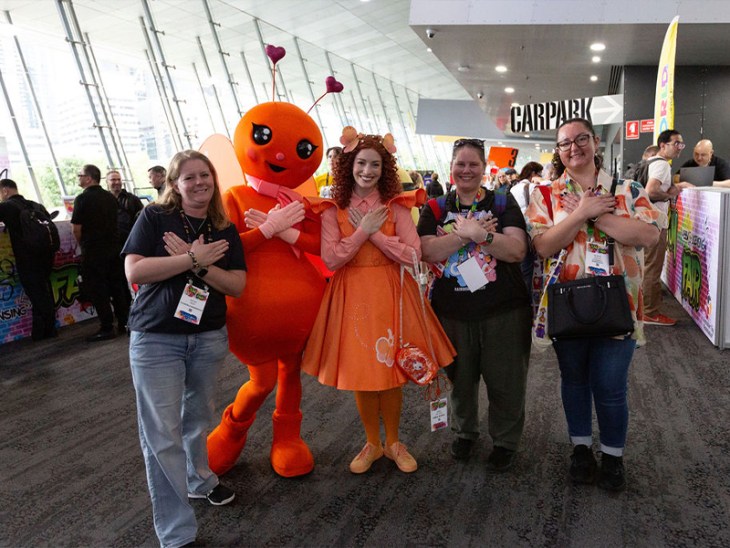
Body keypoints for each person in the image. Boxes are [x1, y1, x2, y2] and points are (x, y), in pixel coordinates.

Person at [302, 131, 455, 475]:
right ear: (348, 165)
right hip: (352, 293)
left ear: (385, 168)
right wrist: (361, 233)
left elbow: (413, 254)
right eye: (361, 163)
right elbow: (331, 258)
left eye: (375, 164)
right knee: (363, 371)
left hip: (392, 291)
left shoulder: (396, 205)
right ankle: (373, 442)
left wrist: (375, 234)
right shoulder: (332, 208)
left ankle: (394, 442)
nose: (367, 171)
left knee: (391, 370)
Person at [526, 117, 662, 491]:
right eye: (565, 143)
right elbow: (543, 246)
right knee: (574, 380)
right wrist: (578, 213)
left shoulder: (628, 189)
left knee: (610, 385)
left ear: (595, 143)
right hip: (566, 304)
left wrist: (598, 215)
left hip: (619, 304)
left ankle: (613, 457)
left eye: (581, 139)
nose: (574, 148)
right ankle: (581, 450)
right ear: (558, 150)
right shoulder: (546, 195)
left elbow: (648, 235)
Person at [123, 150, 246, 548]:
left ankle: (198, 479)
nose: (198, 182)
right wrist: (193, 257)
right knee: (162, 435)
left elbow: (237, 285)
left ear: (214, 179)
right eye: (189, 177)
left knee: (197, 417)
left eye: (204, 175)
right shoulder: (154, 218)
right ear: (175, 184)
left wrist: (198, 265)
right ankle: (177, 533)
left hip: (207, 337)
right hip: (157, 338)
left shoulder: (222, 227)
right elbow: (135, 270)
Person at [417, 138, 532, 472]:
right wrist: (465, 234)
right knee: (460, 380)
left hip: (504, 310)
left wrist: (484, 236)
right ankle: (465, 432)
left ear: (484, 168)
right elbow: (427, 251)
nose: (466, 170)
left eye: (473, 164)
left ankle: (505, 441)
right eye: (460, 164)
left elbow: (516, 251)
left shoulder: (502, 202)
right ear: (451, 167)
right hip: (452, 312)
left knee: (506, 380)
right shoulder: (435, 207)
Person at [71, 164, 130, 341]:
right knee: (117, 287)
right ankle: (124, 323)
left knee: (98, 290)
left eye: (80, 175)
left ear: (89, 178)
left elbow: (76, 229)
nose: (78, 178)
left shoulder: (82, 199)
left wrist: (84, 245)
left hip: (94, 251)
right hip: (114, 249)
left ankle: (106, 327)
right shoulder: (110, 197)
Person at [643, 130, 694, 326]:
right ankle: (650, 313)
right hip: (655, 223)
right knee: (652, 269)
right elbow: (651, 191)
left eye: (682, 144)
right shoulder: (662, 164)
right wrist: (670, 194)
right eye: (676, 144)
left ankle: (645, 308)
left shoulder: (650, 161)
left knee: (647, 266)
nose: (680, 148)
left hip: (644, 221)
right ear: (663, 145)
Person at [0, 178, 57, 340]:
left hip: (27, 258)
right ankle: (43, 330)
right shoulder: (35, 205)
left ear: (5, 191)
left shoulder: (6, 207)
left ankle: (47, 330)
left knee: (37, 294)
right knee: (43, 291)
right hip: (46, 255)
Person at [106, 170, 144, 245]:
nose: (117, 182)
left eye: (119, 179)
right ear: (107, 182)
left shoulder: (132, 199)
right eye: (113, 180)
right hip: (109, 242)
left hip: (129, 240)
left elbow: (142, 218)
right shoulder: (103, 199)